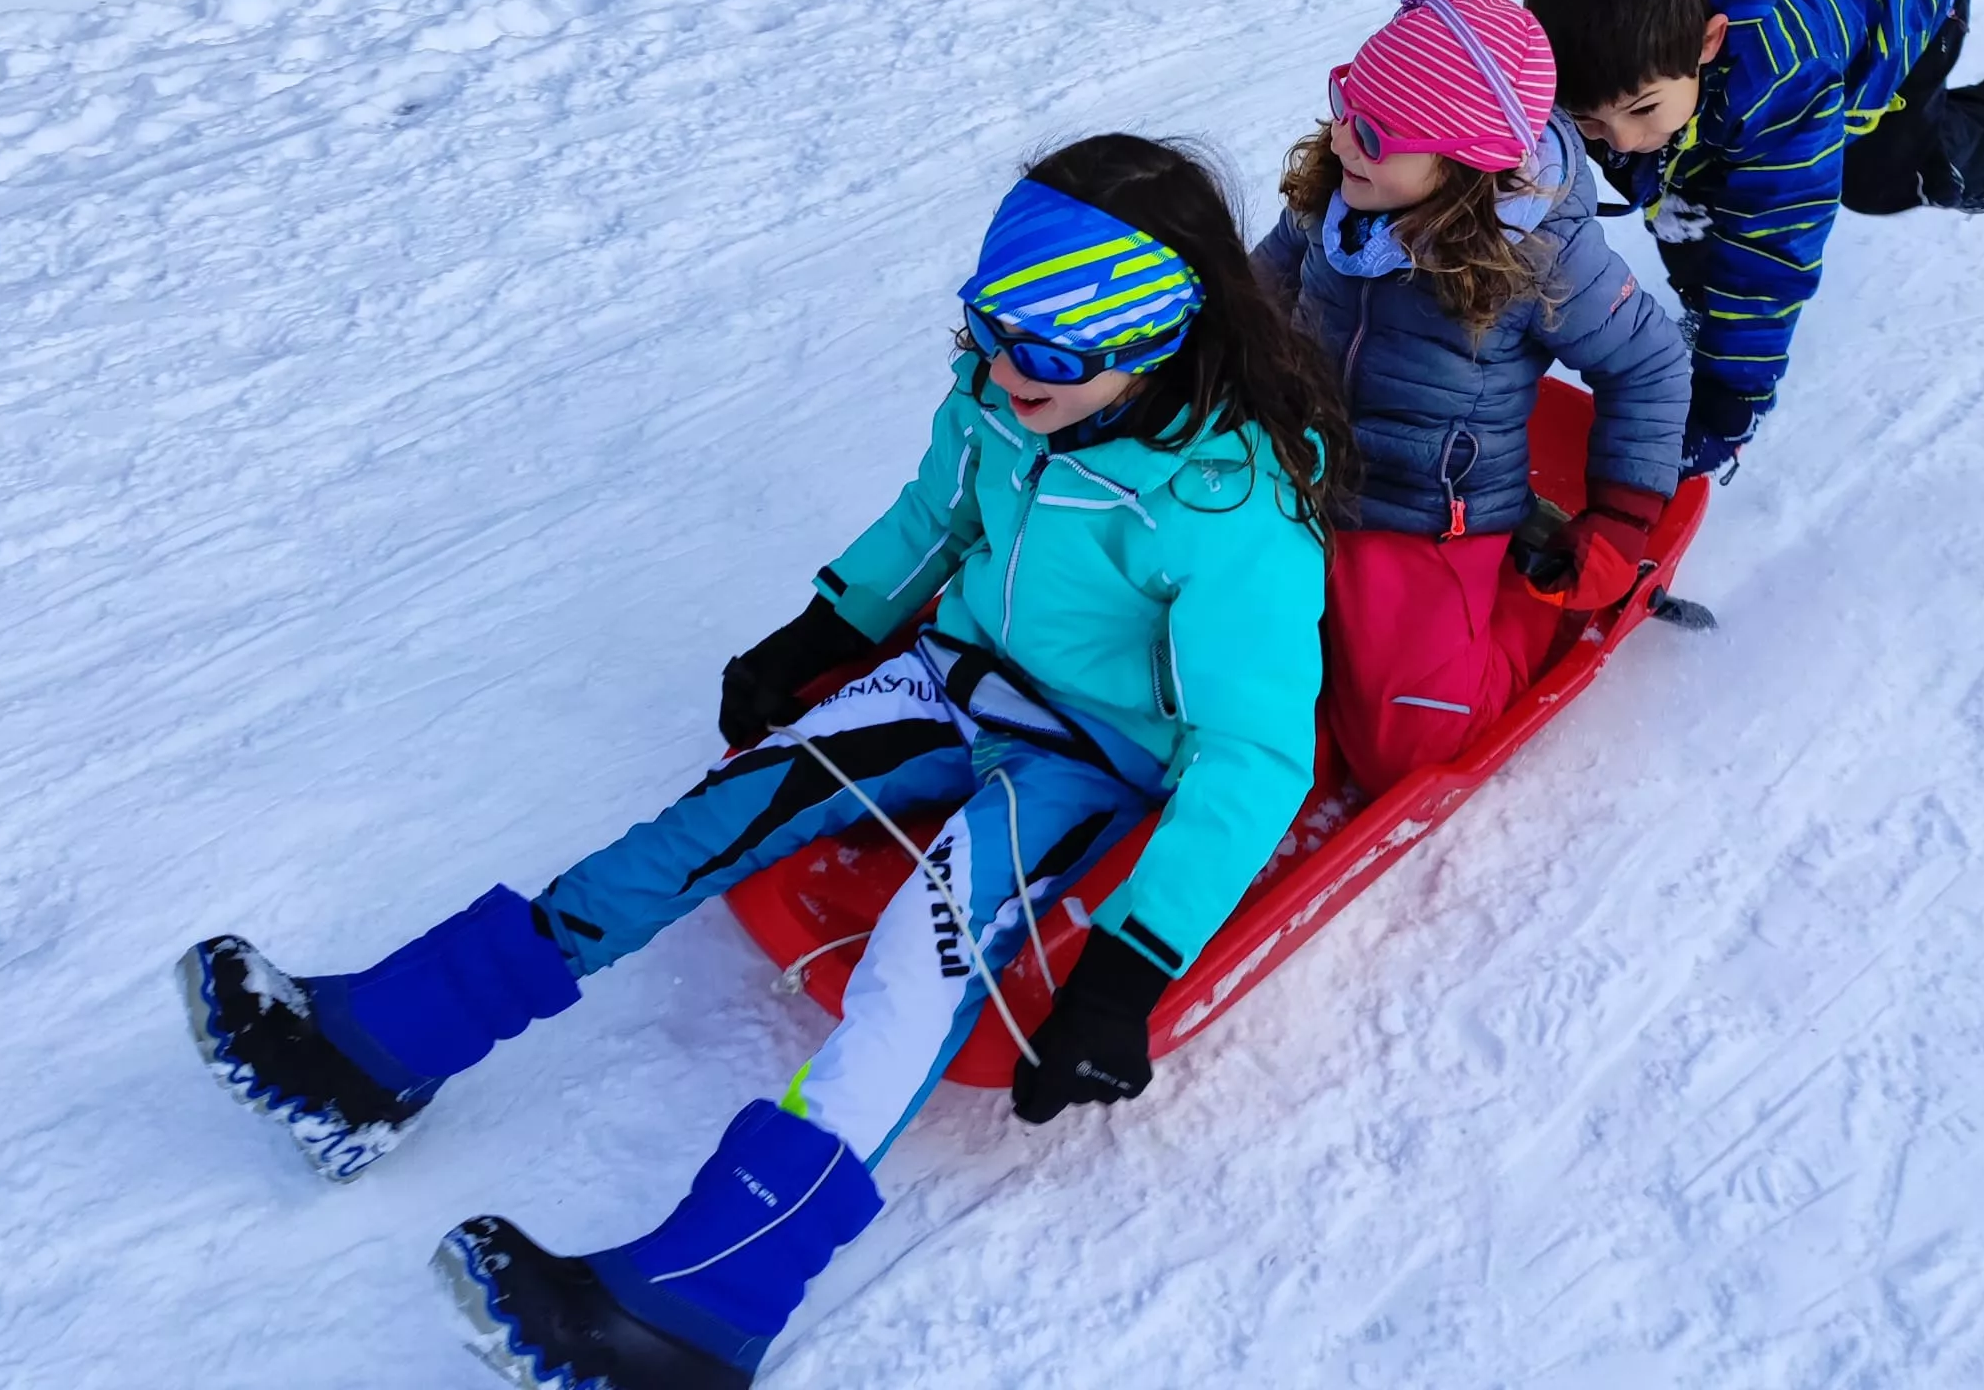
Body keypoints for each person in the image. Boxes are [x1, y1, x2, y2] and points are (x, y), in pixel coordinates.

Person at [178, 135, 1353, 1390]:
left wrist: (1128, 967)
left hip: (1086, 753)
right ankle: (372, 1045)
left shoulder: (1228, 510)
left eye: (1051, 351)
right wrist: (825, 627)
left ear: (1154, 336)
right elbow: (933, 518)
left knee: (918, 960)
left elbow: (1252, 753)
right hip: (950, 675)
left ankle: (697, 1305)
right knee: (701, 825)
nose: (1009, 370)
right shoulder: (999, 395)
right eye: (991, 327)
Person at [1253, 0, 1690, 795]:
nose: (1344, 140)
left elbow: (1651, 363)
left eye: (1376, 134)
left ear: (1465, 165)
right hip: (1300, 479)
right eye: (1348, 107)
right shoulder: (1338, 196)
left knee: (1401, 751)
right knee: (1234, 690)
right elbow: (1261, 293)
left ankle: (1522, 598)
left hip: (1427, 514)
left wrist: (1623, 515)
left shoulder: (1540, 257)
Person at [1524, 0, 1984, 478]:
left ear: (1707, 40)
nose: (1624, 139)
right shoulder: (1602, 37)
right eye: (1587, 119)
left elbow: (1773, 244)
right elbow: (1632, 165)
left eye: (1641, 111)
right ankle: (1705, 302)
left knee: (1881, 174)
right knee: (1684, 178)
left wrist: (1731, 395)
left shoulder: (1785, 76)